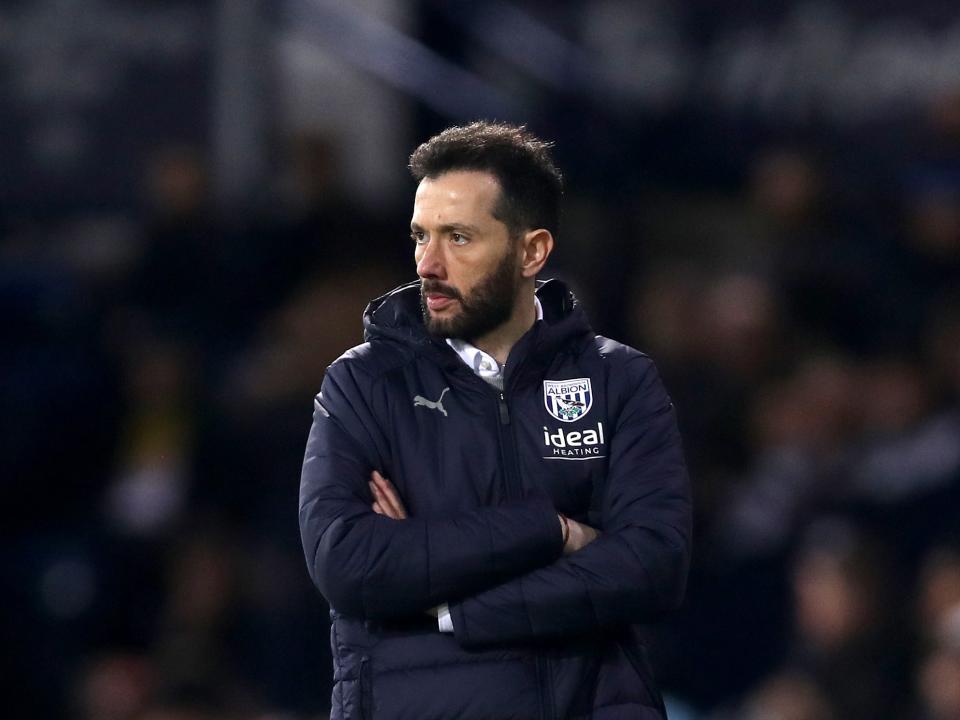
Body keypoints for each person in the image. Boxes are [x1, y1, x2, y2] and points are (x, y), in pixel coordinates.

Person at [299, 121, 692, 720]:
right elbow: (350, 565)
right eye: (419, 236)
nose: (428, 264)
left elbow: (652, 567)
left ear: (532, 251)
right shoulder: (364, 384)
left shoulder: (619, 380)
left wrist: (453, 607)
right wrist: (550, 532)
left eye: (458, 238)